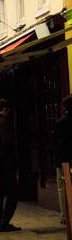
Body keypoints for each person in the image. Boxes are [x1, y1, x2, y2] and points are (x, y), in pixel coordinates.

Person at [0, 99, 21, 232]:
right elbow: (7, 144)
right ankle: (4, 222)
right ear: (4, 109)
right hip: (6, 165)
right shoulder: (4, 123)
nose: (9, 112)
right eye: (8, 110)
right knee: (12, 195)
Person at [52, 95, 72, 225]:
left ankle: (65, 215)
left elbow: (54, 140)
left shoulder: (60, 122)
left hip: (63, 158)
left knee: (62, 186)